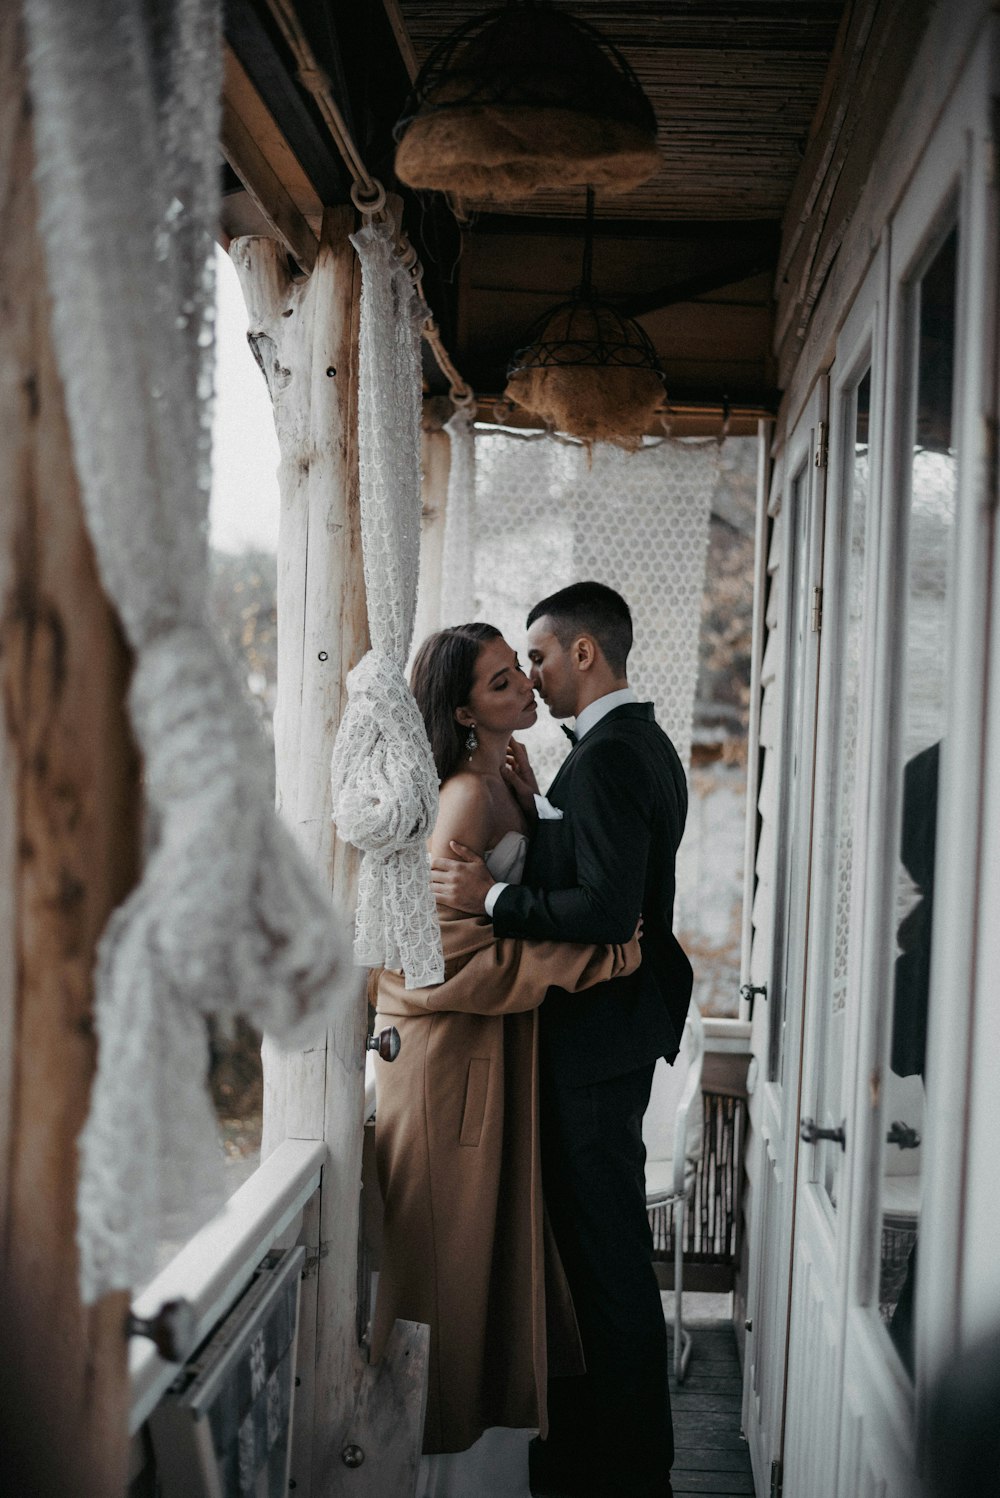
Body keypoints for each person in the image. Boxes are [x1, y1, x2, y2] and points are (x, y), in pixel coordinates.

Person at [431, 582, 692, 1498]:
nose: (534, 678)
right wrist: (544, 812)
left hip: (594, 1046)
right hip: (603, 1041)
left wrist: (491, 900)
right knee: (594, 1255)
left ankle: (628, 1470)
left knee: (610, 1263)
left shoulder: (614, 755)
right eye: (513, 672)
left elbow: (607, 908)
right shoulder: (635, 744)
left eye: (535, 658)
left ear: (584, 652)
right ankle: (593, 1452)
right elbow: (597, 860)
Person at [370, 621, 642, 1487]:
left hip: (495, 1048)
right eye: (500, 684)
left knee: (494, 1265)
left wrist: (534, 801)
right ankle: (431, 1464)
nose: (525, 687)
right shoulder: (458, 799)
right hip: (449, 1059)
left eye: (519, 673)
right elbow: (430, 964)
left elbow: (521, 892)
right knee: (452, 1266)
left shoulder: (504, 780)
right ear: (463, 711)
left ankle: (494, 1460)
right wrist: (597, 956)